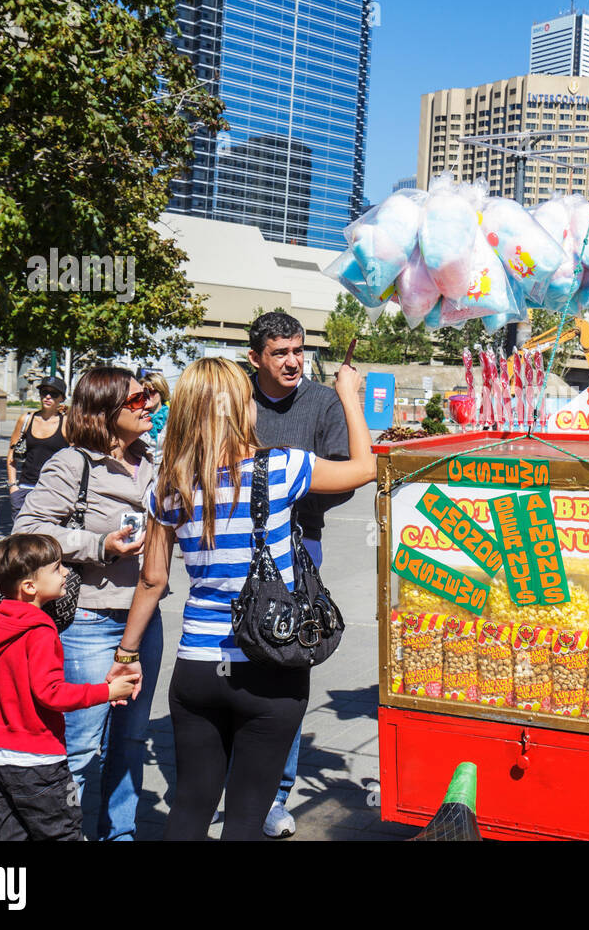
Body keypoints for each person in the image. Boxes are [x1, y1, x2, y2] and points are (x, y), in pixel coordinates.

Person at [109, 356, 375, 840]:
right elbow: (364, 468)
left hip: (198, 667)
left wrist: (127, 654)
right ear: (238, 409)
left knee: (189, 805)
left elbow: (152, 581)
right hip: (269, 665)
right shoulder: (281, 468)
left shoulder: (169, 485)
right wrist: (349, 396)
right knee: (247, 817)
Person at [13, 367, 161, 840]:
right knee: (79, 746)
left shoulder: (154, 462)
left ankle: (120, 835)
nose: (149, 406)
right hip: (91, 620)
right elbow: (28, 529)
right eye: (137, 400)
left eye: (150, 398)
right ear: (105, 409)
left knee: (130, 741)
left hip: (144, 618)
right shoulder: (72, 464)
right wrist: (101, 545)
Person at [245, 310, 355, 837]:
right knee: (232, 662)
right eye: (280, 353)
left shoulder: (323, 401)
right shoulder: (235, 396)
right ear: (256, 358)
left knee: (287, 661)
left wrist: (283, 485)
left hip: (298, 549)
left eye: (298, 350)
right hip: (232, 545)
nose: (293, 362)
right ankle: (234, 778)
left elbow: (346, 477)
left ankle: (274, 793)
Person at [0, 534, 140, 840]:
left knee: (6, 834)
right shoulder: (39, 630)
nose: (66, 572)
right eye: (56, 568)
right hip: (38, 764)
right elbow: (50, 693)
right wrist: (107, 692)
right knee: (62, 832)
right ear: (29, 587)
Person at [6, 376, 70, 516]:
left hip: (54, 492)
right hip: (25, 489)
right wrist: (12, 486)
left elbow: (77, 459)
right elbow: (12, 454)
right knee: (21, 537)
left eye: (54, 394)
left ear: (62, 398)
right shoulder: (26, 419)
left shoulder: (67, 424)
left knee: (47, 537)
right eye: (44, 392)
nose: (48, 396)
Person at [144, 373, 170, 446]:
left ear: (161, 391)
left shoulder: (172, 418)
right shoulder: (137, 417)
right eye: (145, 392)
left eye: (152, 391)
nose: (148, 395)